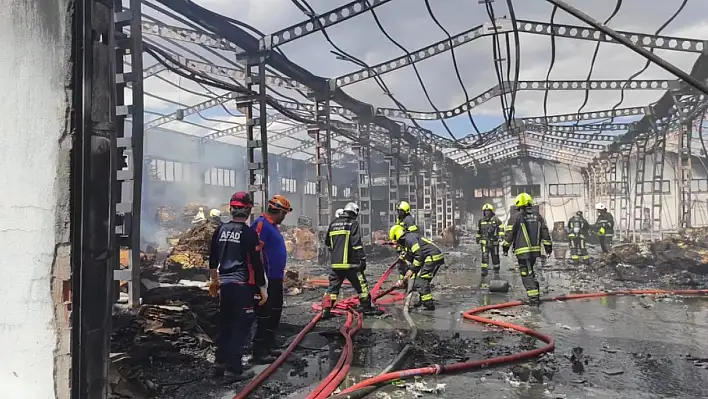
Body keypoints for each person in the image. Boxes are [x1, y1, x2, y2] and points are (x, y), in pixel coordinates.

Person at [208, 191, 267, 380]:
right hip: (242, 285)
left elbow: (213, 258)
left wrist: (214, 280)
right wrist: (263, 287)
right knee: (240, 328)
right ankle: (234, 370)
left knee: (225, 325)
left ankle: (219, 364)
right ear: (248, 210)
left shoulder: (221, 230)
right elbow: (256, 263)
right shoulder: (249, 234)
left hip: (225, 285)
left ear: (230, 208)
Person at [251, 194, 292, 364]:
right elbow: (255, 252)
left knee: (274, 312)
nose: (284, 217)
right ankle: (259, 352)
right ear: (279, 211)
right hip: (266, 280)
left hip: (276, 278)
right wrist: (260, 281)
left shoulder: (273, 226)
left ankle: (269, 345)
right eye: (284, 213)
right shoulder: (261, 224)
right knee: (264, 315)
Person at [321, 202, 376, 319]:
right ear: (353, 213)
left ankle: (326, 310)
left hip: (336, 265)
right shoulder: (353, 224)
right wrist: (362, 259)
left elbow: (327, 243)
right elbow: (356, 244)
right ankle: (366, 308)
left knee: (332, 288)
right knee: (362, 287)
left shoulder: (333, 224)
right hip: (351, 264)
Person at [502, 193, 552, 305]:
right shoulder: (538, 216)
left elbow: (509, 235)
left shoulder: (515, 217)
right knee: (530, 272)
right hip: (534, 252)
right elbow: (545, 233)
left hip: (522, 252)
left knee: (526, 274)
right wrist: (548, 248)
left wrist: (505, 248)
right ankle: (536, 293)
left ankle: (534, 299)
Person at [389, 224, 445, 310]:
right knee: (421, 281)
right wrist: (402, 279)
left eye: (395, 241)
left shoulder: (409, 239)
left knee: (421, 281)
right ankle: (424, 301)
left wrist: (412, 269)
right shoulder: (407, 241)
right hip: (429, 257)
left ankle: (428, 305)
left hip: (432, 257)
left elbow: (419, 255)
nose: (396, 244)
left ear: (398, 236)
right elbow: (411, 260)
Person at [475, 203, 505, 287]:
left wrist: (501, 236)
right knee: (484, 256)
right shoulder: (481, 220)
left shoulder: (496, 219)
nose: (487, 213)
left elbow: (501, 227)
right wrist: (478, 238)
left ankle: (496, 270)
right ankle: (484, 271)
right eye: (485, 211)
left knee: (495, 256)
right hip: (484, 243)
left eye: (488, 211)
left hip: (494, 242)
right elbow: (479, 231)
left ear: (491, 211)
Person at [395, 201, 419, 284]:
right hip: (401, 245)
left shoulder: (408, 219)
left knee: (408, 263)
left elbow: (413, 234)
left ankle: (410, 281)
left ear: (405, 211)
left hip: (408, 245)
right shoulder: (400, 219)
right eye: (398, 210)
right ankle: (403, 280)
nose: (398, 212)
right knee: (401, 264)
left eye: (400, 211)